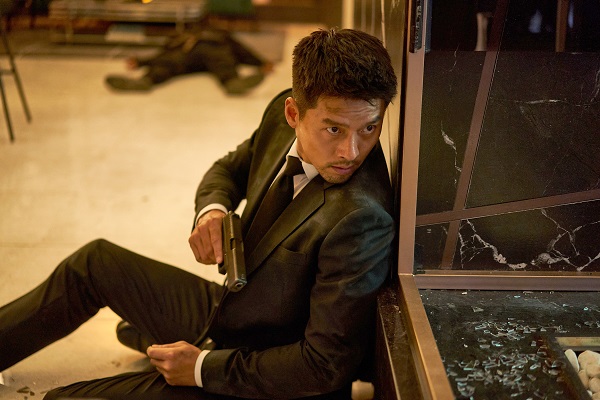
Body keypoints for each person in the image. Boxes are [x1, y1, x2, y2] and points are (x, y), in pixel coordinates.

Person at [0, 28, 398, 399]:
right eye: (334, 130)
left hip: (271, 376)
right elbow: (228, 171)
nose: (351, 152)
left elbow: (323, 365)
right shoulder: (281, 119)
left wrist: (200, 368)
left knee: (63, 397)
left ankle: (166, 346)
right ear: (293, 114)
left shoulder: (362, 218)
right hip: (230, 313)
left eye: (369, 128)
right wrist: (212, 211)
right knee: (93, 264)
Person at [105, 27, 273, 95]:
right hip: (185, 57)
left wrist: (260, 62)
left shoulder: (218, 35)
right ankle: (145, 81)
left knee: (221, 60)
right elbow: (163, 55)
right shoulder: (179, 39)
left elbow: (241, 49)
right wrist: (142, 62)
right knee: (169, 62)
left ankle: (232, 83)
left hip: (211, 51)